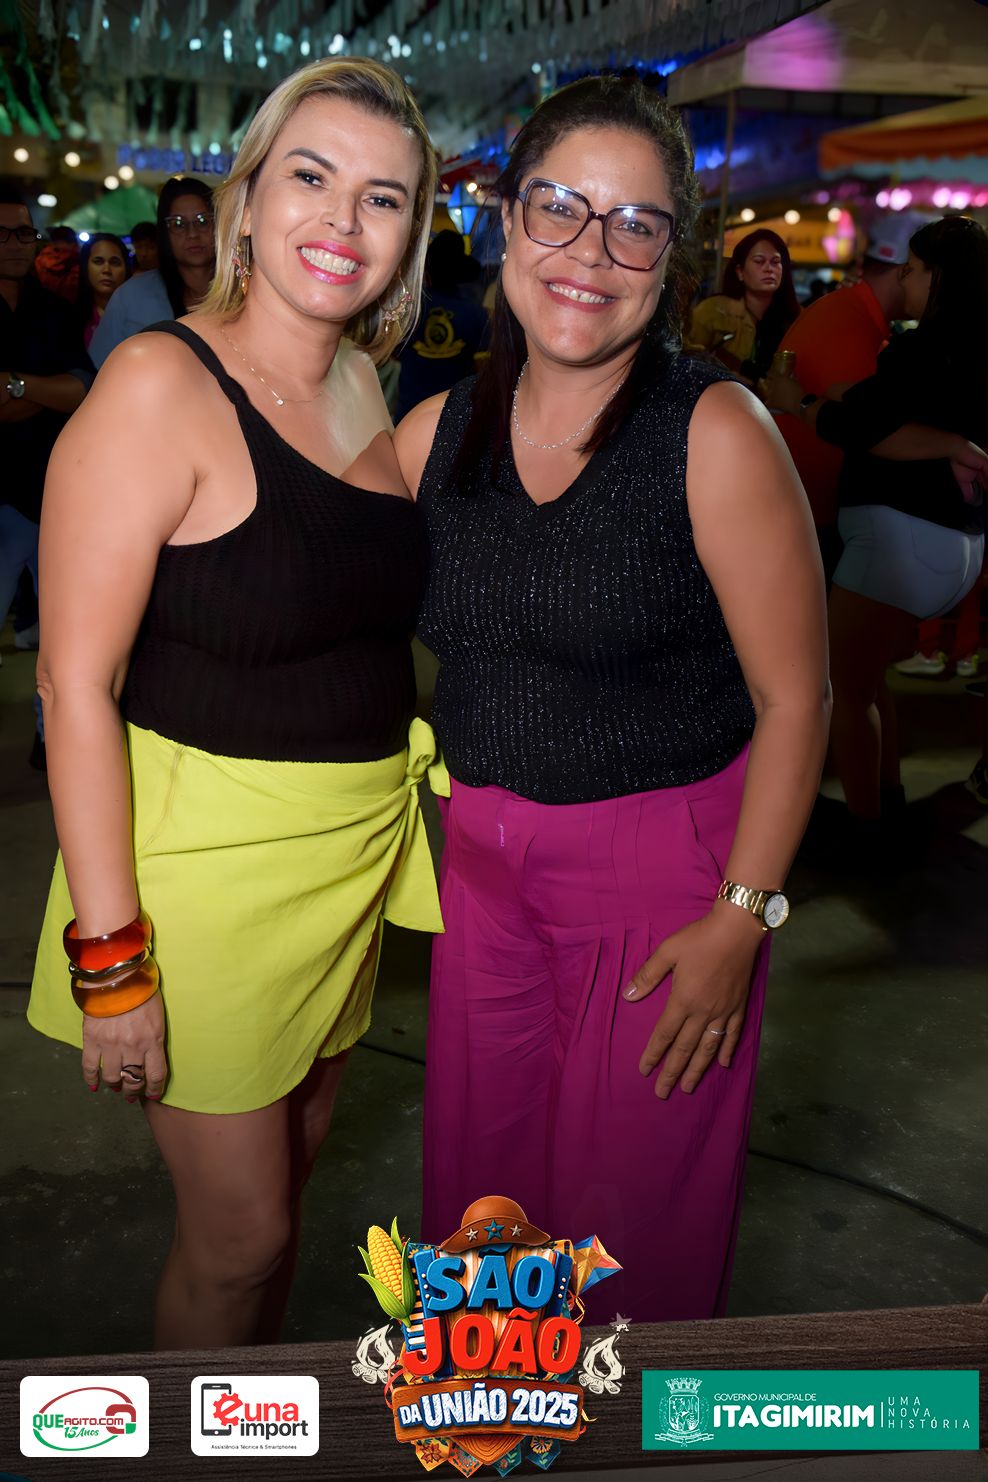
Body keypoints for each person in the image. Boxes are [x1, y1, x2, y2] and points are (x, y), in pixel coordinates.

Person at [394, 76, 830, 1322]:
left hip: (664, 885)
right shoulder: (434, 433)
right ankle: (495, 1417)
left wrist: (743, 919)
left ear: (669, 256)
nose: (590, 253)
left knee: (630, 1236)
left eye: (633, 225)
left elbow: (796, 698)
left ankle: (625, 1428)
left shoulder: (715, 432)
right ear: (506, 222)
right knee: (482, 1213)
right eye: (559, 208)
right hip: (481, 877)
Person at [27, 57, 440, 1350]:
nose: (343, 220)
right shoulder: (158, 384)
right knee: (241, 1236)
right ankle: (180, 1439)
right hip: (203, 880)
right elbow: (72, 683)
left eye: (382, 197)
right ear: (247, 201)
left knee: (293, 1187)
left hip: (348, 866)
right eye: (311, 176)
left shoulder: (363, 381)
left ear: (412, 234)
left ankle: (244, 1425)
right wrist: (113, 965)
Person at [765, 216, 988, 825]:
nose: (904, 283)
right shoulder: (969, 349)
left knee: (842, 690)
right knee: (867, 682)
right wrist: (949, 444)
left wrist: (796, 401)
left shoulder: (923, 348)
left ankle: (869, 833)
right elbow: (887, 413)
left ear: (940, 277)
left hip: (901, 537)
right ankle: (887, 806)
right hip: (952, 541)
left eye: (913, 271)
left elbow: (863, 426)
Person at [771, 214, 922, 579]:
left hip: (808, 513)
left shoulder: (855, 314)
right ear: (904, 272)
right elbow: (869, 431)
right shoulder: (849, 320)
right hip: (810, 521)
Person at [0, 183, 92, 766]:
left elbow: (80, 390)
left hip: (50, 489)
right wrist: (42, 391)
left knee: (62, 636)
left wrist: (15, 385)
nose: (16, 243)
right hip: (4, 495)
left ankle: (49, 739)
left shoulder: (55, 311)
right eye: (4, 233)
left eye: (23, 232)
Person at [88, 177, 215, 367]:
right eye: (178, 224)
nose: (193, 234)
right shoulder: (131, 296)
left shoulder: (245, 291)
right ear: (165, 232)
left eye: (203, 221)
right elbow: (97, 370)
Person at [393, 229, 490, 420]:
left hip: (409, 415)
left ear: (428, 268)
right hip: (454, 419)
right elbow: (482, 369)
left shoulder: (408, 309)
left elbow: (393, 353)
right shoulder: (475, 313)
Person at [687, 228, 800, 385]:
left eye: (775, 262)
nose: (768, 268)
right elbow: (689, 363)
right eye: (759, 261)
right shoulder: (712, 311)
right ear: (740, 271)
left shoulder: (798, 318)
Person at [76, 232, 132, 348]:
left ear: (126, 268)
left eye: (115, 262)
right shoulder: (69, 319)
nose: (106, 270)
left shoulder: (141, 316)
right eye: (98, 261)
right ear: (86, 267)